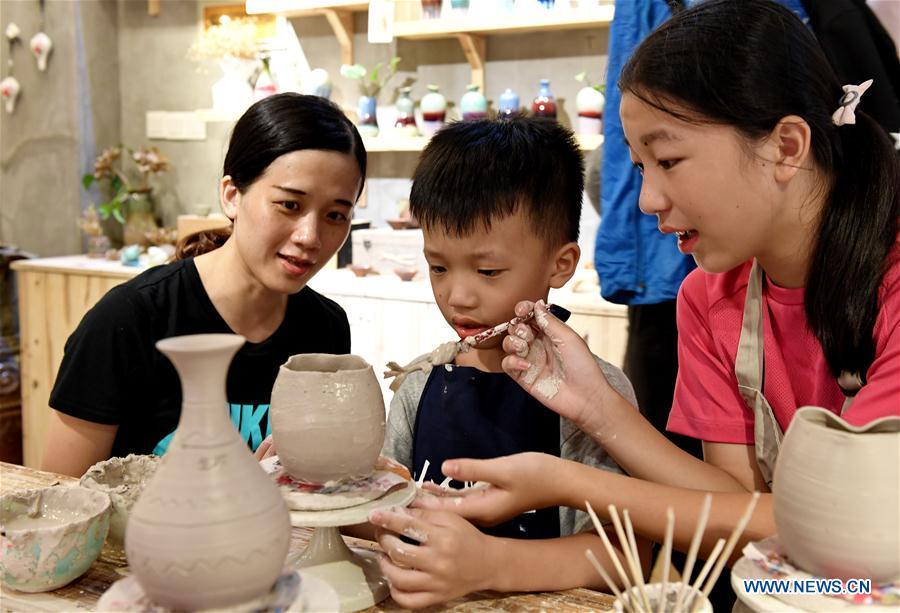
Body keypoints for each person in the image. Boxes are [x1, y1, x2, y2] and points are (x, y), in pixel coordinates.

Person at [415, 0, 900, 573]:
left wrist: (566, 482)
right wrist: (595, 405)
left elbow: (837, 524)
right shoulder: (708, 297)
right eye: (641, 167)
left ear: (786, 147)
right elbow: (737, 508)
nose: (647, 201)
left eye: (668, 160)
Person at [368, 117, 649, 610]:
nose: (457, 295)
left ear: (560, 265)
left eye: (488, 270)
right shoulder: (419, 385)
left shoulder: (594, 393)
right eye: (438, 267)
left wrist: (490, 561)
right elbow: (385, 518)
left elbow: (624, 550)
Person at [43, 93, 367, 477]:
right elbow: (61, 492)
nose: (310, 237)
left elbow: (318, 485)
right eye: (289, 205)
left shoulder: (324, 327)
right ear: (232, 195)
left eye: (335, 215)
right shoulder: (129, 319)